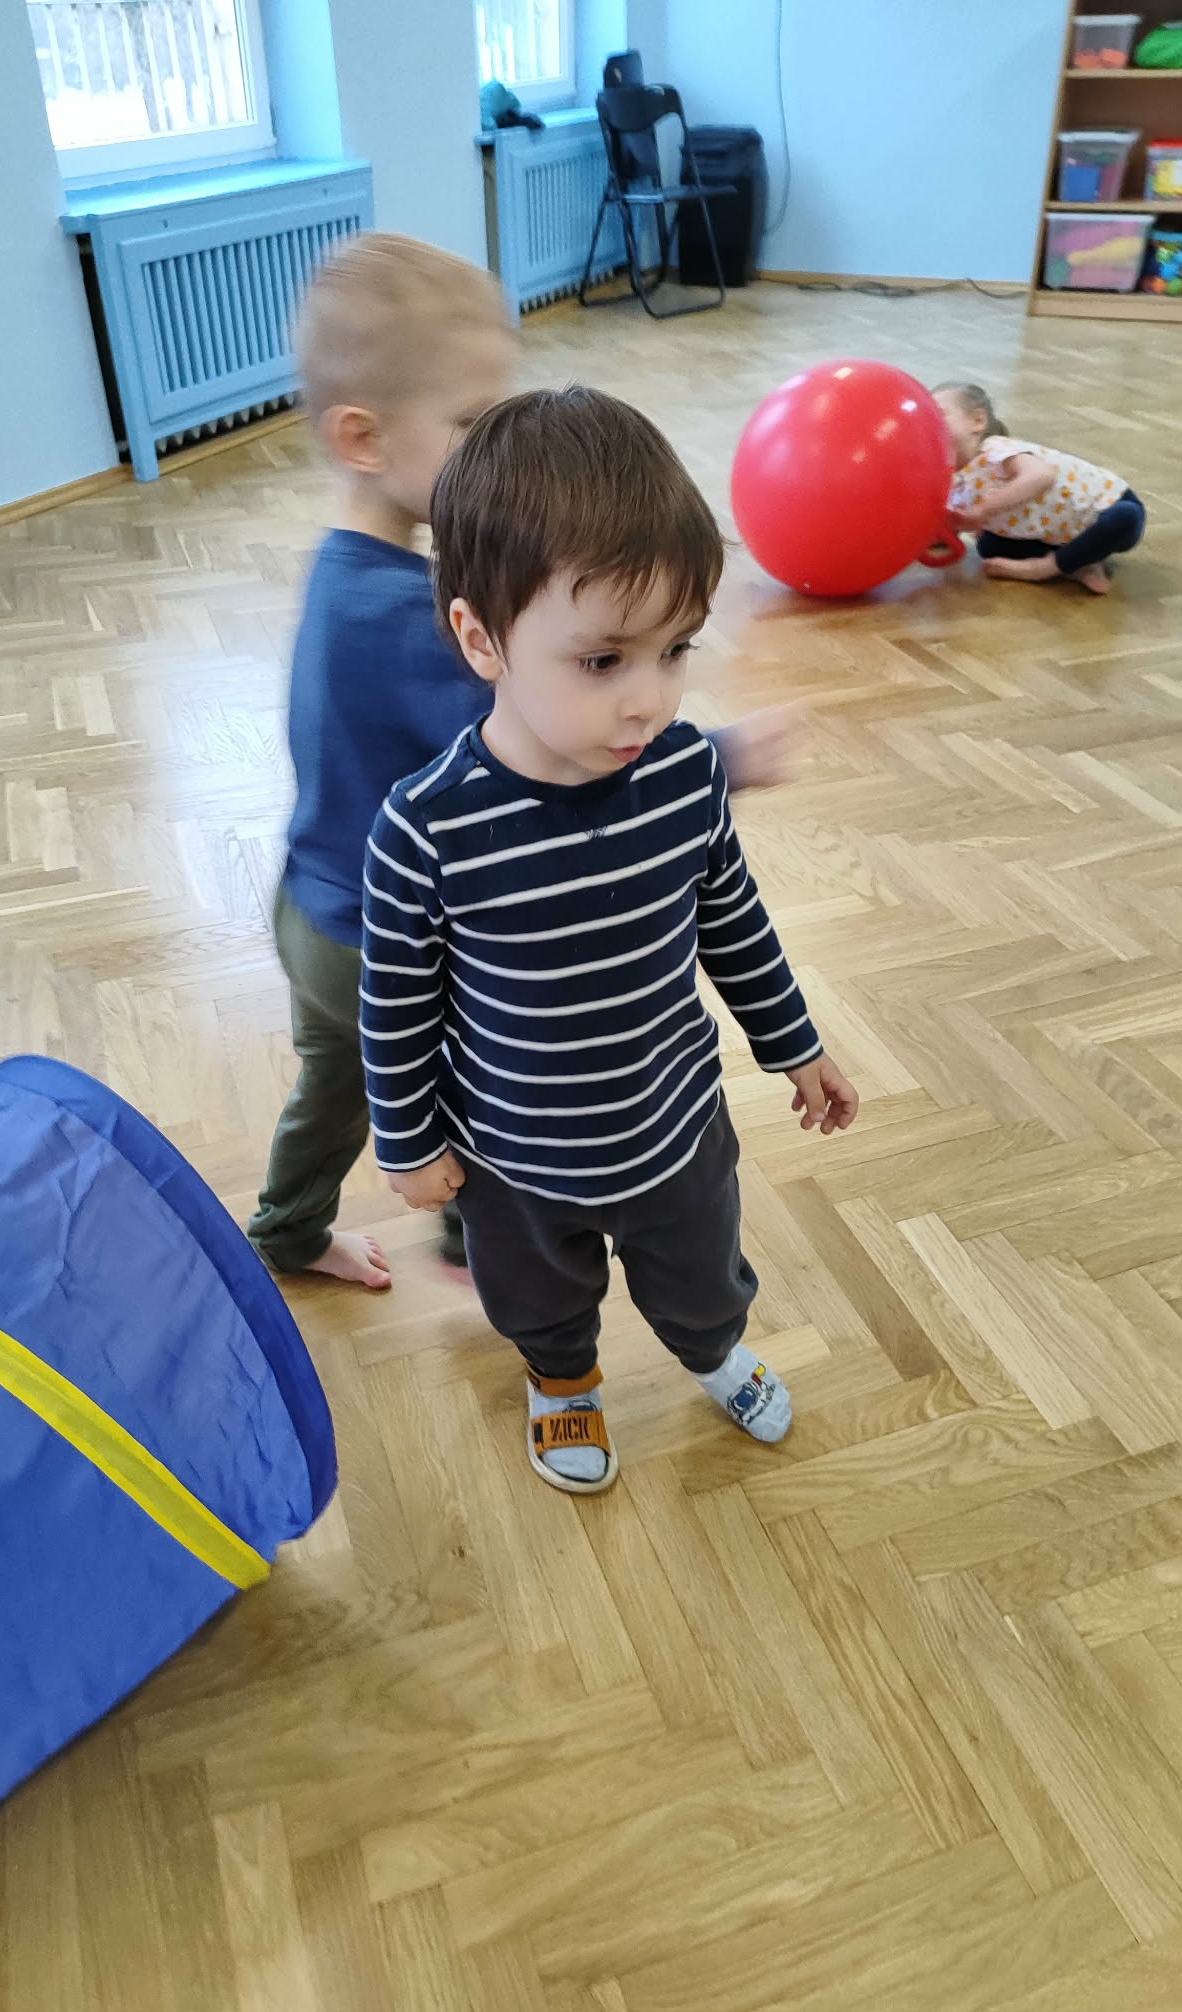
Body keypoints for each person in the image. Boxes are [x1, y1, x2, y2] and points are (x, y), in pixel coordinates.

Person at [249, 234, 803, 1293]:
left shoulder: (345, 571)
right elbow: (570, 749)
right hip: (382, 940)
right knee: (480, 1073)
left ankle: (288, 1229)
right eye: (472, 424)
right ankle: (481, 1240)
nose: (499, 446)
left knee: (335, 1087)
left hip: (307, 907)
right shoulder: (415, 620)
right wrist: (719, 758)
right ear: (362, 436)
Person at [359, 386, 859, 1493]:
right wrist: (407, 1140)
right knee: (540, 1301)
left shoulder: (685, 772)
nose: (650, 700)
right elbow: (394, 1007)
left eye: (675, 650)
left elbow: (732, 917)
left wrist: (794, 1043)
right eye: (603, 661)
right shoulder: (426, 829)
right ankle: (565, 1384)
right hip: (516, 1158)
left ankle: (712, 1351)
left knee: (704, 1278)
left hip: (675, 1125)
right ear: (482, 639)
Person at [933, 382, 1146, 596]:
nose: (931, 427)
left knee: (1126, 517)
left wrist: (983, 510)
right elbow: (948, 532)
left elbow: (1041, 476)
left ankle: (1047, 568)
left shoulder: (995, 449)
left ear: (977, 421)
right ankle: (1078, 564)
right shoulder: (953, 480)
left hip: (1108, 505)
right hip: (1059, 533)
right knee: (989, 546)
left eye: (939, 416)